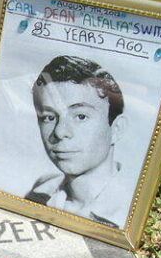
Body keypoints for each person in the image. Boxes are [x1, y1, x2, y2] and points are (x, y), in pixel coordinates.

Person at [25, 55, 130, 228]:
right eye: (49, 117)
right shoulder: (40, 191)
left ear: (116, 129)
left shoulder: (126, 213)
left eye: (81, 116)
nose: (59, 132)